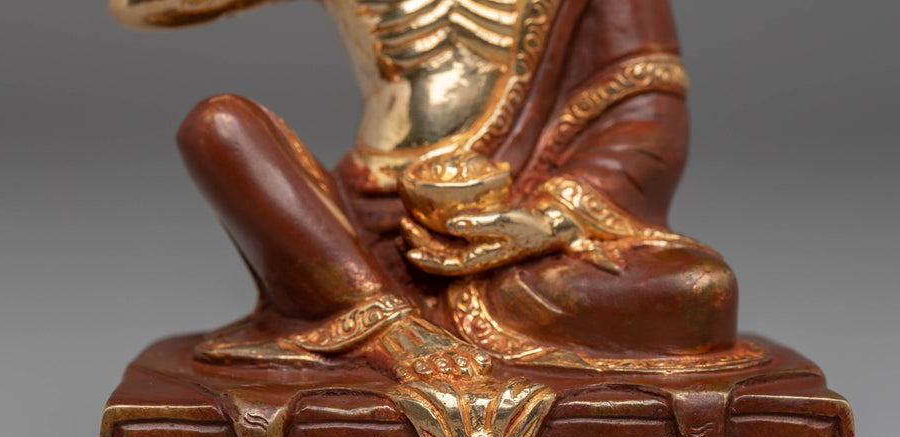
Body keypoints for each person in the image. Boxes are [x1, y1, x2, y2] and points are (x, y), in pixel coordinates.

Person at [111, 0, 743, 379]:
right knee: (219, 127)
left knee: (698, 291)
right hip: (353, 229)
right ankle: (384, 322)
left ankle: (371, 316)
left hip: (521, 241)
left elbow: (646, 103)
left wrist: (546, 224)